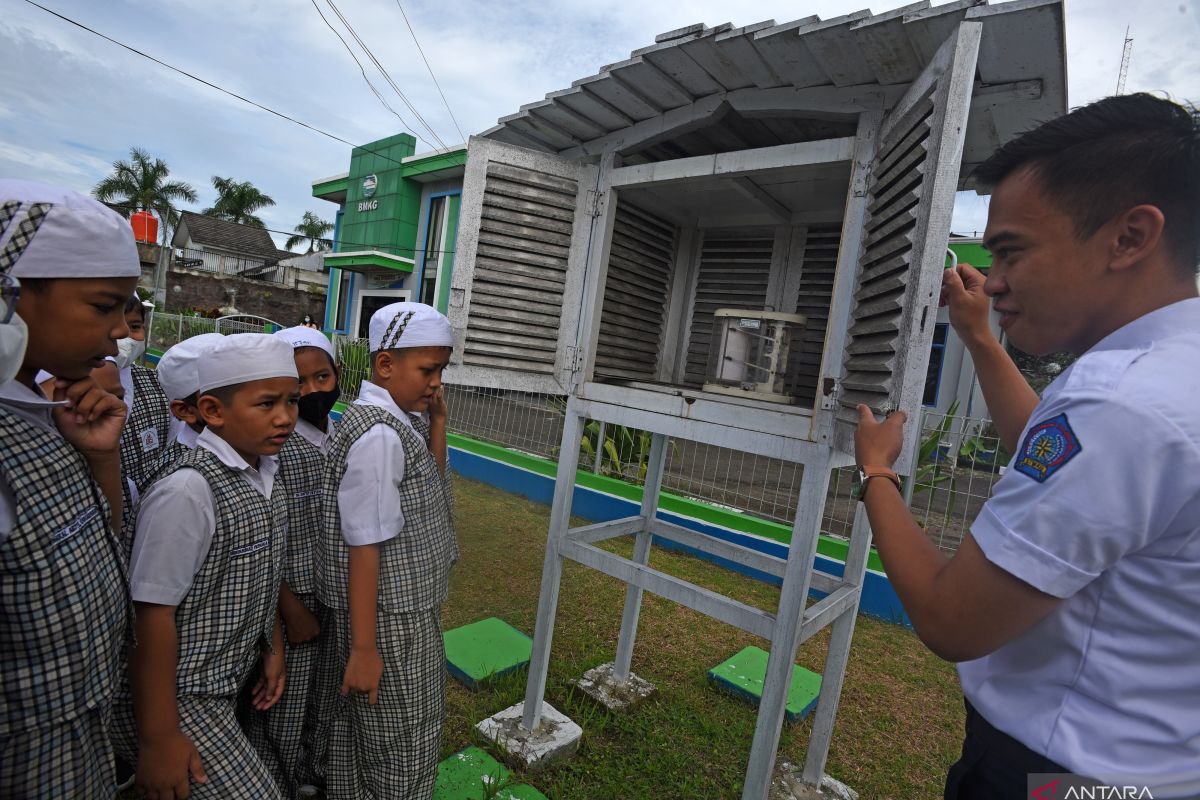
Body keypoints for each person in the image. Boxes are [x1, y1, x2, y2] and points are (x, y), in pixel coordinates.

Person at [852, 93, 1200, 798]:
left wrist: (875, 471)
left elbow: (952, 620)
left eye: (1011, 250)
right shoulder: (1169, 372)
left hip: (1057, 778)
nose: (996, 276)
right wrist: (980, 333)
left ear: (1130, 237)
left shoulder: (1120, 402)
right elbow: (1063, 459)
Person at [112, 332, 300, 799]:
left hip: (219, 688)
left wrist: (272, 646)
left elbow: (264, 572)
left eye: (292, 401)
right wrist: (158, 738)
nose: (285, 417)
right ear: (212, 411)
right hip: (175, 697)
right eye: (267, 404)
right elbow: (149, 616)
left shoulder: (263, 472)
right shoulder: (186, 493)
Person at [0, 179, 140, 797]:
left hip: (81, 742)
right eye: (103, 306)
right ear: (9, 295)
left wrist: (101, 460)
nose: (118, 332)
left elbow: (98, 541)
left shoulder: (43, 406)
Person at [315, 302, 456, 800]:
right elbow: (363, 547)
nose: (436, 382)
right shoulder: (378, 436)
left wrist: (437, 424)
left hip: (396, 614)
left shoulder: (396, 421)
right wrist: (365, 649)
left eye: (441, 369)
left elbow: (433, 488)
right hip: (391, 624)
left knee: (364, 741)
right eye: (428, 369)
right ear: (386, 364)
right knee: (403, 744)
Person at [239, 325, 340, 795]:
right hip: (291, 603)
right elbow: (265, 540)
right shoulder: (274, 447)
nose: (315, 391)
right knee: (281, 705)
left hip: (333, 595)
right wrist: (288, 609)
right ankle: (277, 782)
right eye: (301, 384)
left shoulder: (341, 436)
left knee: (324, 697)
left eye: (324, 377)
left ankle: (310, 776)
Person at [115, 292, 172, 491]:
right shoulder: (58, 389)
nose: (124, 335)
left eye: (135, 327)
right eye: (113, 324)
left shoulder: (158, 386)